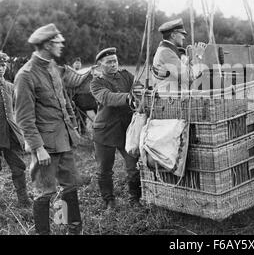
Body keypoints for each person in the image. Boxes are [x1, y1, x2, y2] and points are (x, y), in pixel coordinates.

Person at [14, 23, 82, 235]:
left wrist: (73, 126)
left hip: (64, 140)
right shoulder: (26, 75)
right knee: (44, 193)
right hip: (45, 146)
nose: (62, 46)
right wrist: (38, 148)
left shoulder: (52, 66)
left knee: (70, 188)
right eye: (58, 43)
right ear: (46, 45)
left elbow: (64, 101)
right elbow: (24, 118)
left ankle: (74, 230)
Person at [90, 47, 144, 210]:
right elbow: (107, 97)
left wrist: (141, 92)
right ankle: (109, 201)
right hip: (104, 132)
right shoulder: (96, 83)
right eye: (109, 62)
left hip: (127, 131)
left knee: (133, 167)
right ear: (100, 65)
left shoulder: (126, 76)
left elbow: (139, 87)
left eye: (115, 61)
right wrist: (129, 97)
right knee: (104, 170)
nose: (113, 64)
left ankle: (135, 199)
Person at [0, 51, 31, 208]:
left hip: (11, 133)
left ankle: (23, 199)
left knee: (18, 167)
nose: (1, 68)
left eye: (3, 65)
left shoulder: (10, 87)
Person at [151, 18, 206, 92]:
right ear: (173, 35)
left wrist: (190, 59)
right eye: (182, 34)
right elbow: (189, 77)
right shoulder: (166, 53)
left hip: (171, 96)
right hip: (171, 99)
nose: (183, 37)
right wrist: (198, 56)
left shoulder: (166, 50)